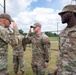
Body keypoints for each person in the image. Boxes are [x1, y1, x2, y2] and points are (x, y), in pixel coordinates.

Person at [54, 5, 76, 75]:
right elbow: (60, 53)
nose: (61, 16)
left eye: (62, 14)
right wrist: (57, 68)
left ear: (70, 13)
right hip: (62, 71)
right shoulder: (62, 33)